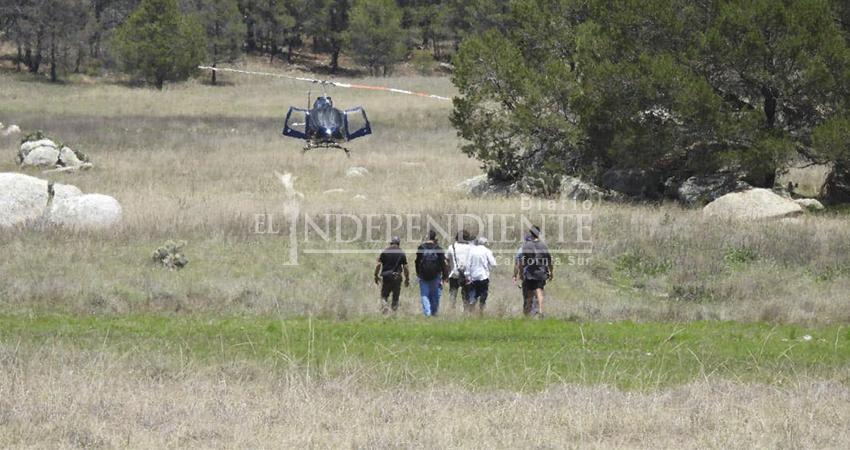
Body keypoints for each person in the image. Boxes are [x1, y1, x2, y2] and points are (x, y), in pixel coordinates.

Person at [515, 226, 553, 317]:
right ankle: (541, 311)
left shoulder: (526, 246)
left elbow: (522, 262)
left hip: (529, 273)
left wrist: (520, 274)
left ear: (531, 234)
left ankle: (528, 314)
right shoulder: (543, 246)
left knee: (529, 294)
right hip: (541, 273)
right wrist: (551, 272)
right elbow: (549, 261)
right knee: (539, 291)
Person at [415, 230, 448, 317]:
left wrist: (418, 273)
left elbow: (417, 262)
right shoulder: (438, 248)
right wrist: (445, 276)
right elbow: (443, 263)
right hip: (435, 275)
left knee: (424, 294)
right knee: (435, 294)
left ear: (427, 237)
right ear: (435, 238)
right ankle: (434, 312)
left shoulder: (421, 248)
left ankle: (427, 313)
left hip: (423, 275)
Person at [374, 236, 410, 313]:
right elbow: (405, 267)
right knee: (395, 297)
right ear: (399, 243)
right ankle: (394, 313)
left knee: (384, 296)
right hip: (397, 277)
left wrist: (376, 275)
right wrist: (407, 279)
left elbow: (378, 265)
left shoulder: (385, 252)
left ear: (391, 243)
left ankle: (385, 310)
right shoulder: (401, 253)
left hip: (386, 277)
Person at [465, 236, 497, 314]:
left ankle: (472, 306)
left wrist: (467, 275)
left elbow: (468, 264)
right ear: (485, 243)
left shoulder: (471, 251)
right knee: (483, 293)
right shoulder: (487, 251)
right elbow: (493, 263)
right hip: (483, 276)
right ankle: (481, 309)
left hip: (473, 276)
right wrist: (489, 267)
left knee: (474, 293)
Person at [445, 230, 473, 308]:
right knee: (466, 296)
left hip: (454, 274)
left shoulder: (451, 247)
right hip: (467, 275)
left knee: (452, 295)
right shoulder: (470, 248)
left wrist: (446, 274)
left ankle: (451, 310)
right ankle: (466, 311)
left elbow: (446, 260)